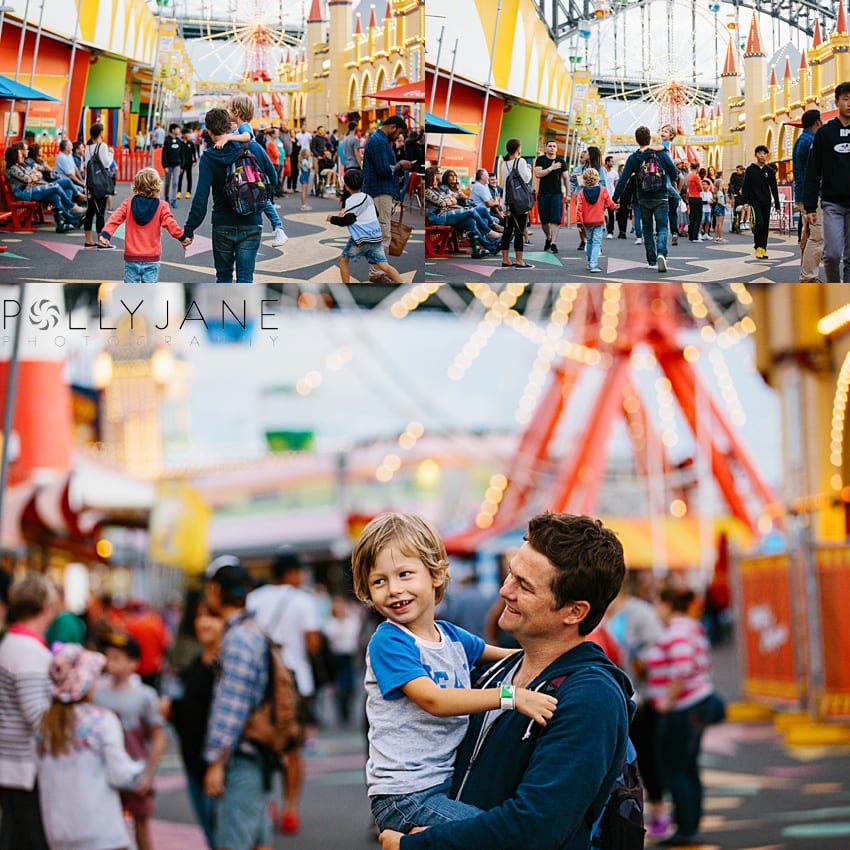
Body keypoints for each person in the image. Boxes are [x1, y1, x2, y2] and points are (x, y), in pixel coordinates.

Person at [378, 512, 632, 850]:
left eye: (524, 585)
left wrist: (418, 846)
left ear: (574, 612)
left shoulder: (590, 697)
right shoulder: (499, 670)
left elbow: (536, 826)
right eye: (511, 574)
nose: (504, 590)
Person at [350, 512, 557, 835]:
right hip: (406, 794)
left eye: (405, 574)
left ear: (436, 574)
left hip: (444, 782)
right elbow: (434, 700)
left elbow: (511, 658)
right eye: (380, 581)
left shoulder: (449, 635)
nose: (393, 589)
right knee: (494, 834)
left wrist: (561, 654)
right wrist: (511, 697)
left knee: (493, 827)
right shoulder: (389, 641)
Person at [36, 643, 145, 850]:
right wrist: (137, 769)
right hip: (99, 829)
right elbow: (119, 774)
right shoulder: (101, 720)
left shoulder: (45, 723)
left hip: (57, 829)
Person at [247, 550, 321, 836]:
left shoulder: (254, 598)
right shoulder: (303, 600)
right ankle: (290, 809)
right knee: (292, 748)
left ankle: (265, 804)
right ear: (290, 573)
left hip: (261, 683)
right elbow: (312, 643)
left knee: (261, 745)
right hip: (295, 683)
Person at [203, 556, 274, 850]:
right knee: (258, 841)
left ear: (216, 591)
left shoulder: (239, 638)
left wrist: (216, 761)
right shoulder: (253, 630)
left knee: (234, 841)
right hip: (257, 753)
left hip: (243, 758)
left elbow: (231, 705)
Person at [646, 588, 718, 847]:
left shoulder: (676, 630)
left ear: (667, 604)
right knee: (688, 768)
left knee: (676, 769)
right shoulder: (691, 625)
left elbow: (683, 666)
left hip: (683, 707)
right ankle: (690, 824)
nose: (655, 610)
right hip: (695, 703)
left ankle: (686, 828)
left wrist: (667, 700)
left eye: (657, 603)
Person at [182, 107, 278, 282]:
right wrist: (261, 202)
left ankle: (224, 308)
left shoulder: (209, 157)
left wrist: (189, 230)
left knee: (224, 277)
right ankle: (244, 309)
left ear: (209, 131)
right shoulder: (253, 147)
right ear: (229, 125)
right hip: (251, 222)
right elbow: (273, 178)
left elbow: (200, 199)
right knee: (246, 277)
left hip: (222, 224)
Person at [0, 573, 58, 850]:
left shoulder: (11, 642)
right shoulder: (29, 651)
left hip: (10, 763)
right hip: (23, 767)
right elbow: (37, 714)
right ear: (45, 606)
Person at [93, 633, 166, 850]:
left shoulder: (145, 695)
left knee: (141, 827)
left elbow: (157, 736)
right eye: (109, 656)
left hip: (136, 773)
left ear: (133, 663)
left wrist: (148, 775)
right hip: (103, 773)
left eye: (117, 657)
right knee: (107, 828)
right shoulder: (96, 692)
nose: (110, 662)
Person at [161, 599, 224, 849]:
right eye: (199, 616)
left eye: (212, 617)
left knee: (223, 836)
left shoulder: (227, 663)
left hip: (216, 764)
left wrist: (217, 764)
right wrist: (172, 709)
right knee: (211, 835)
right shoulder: (197, 662)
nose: (203, 623)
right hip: (192, 760)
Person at [214, 95, 288, 248]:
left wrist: (228, 138)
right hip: (248, 170)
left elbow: (247, 136)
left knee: (264, 201)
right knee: (263, 200)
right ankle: (278, 228)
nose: (227, 111)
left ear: (238, 111)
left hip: (249, 170)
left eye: (229, 108)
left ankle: (279, 228)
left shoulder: (244, 127)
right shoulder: (239, 128)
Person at [99, 167, 189, 282]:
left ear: (136, 185)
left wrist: (106, 234)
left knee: (132, 295)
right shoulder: (161, 206)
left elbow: (115, 218)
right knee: (149, 294)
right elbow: (170, 223)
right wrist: (182, 237)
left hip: (131, 257)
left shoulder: (129, 203)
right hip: (151, 258)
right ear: (157, 186)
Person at [613, 125, 678, 272]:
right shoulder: (661, 154)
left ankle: (652, 260)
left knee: (647, 229)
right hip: (661, 196)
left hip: (642, 197)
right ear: (650, 139)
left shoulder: (633, 158)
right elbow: (674, 172)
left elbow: (623, 180)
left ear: (636, 140)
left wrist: (615, 198)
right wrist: (669, 181)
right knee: (662, 227)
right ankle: (662, 253)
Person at [804, 82, 850, 282]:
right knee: (831, 254)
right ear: (837, 102)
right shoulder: (825, 133)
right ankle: (833, 286)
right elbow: (813, 170)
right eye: (846, 99)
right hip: (832, 204)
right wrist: (809, 206)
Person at [326, 167, 401, 283]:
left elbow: (347, 220)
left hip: (361, 240)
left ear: (346, 186)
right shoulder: (368, 198)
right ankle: (400, 283)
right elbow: (375, 213)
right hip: (375, 238)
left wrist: (332, 218)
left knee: (343, 260)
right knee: (384, 266)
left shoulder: (351, 201)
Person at [362, 115, 412, 281]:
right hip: (379, 191)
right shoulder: (379, 141)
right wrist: (400, 165)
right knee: (383, 233)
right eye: (399, 132)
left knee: (382, 232)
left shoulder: (379, 140)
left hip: (381, 191)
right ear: (392, 126)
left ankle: (377, 271)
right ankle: (377, 273)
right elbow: (383, 169)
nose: (399, 136)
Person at [4, 146, 82, 233]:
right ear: (14, 157)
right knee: (55, 186)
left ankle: (61, 224)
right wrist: (34, 175)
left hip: (30, 190)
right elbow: (28, 179)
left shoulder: (19, 166)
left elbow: (37, 174)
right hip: (25, 194)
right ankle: (71, 209)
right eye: (19, 154)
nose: (21, 155)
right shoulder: (13, 169)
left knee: (55, 197)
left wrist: (35, 175)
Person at [323, 594, 362, 726]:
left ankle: (348, 707)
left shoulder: (352, 620)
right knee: (339, 685)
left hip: (350, 656)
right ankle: (341, 709)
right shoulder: (330, 622)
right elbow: (332, 636)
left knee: (351, 684)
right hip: (336, 657)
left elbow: (354, 635)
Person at [793, 108, 822, 281]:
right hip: (812, 195)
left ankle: (805, 272)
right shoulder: (811, 141)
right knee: (818, 235)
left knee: (808, 233)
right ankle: (808, 276)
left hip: (802, 194)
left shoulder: (800, 140)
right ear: (817, 122)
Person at [740, 144, 780, 260]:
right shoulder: (751, 169)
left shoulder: (770, 171)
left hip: (766, 202)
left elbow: (774, 188)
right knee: (759, 223)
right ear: (755, 155)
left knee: (765, 226)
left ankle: (763, 248)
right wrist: (745, 202)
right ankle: (758, 247)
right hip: (754, 202)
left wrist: (777, 204)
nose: (762, 155)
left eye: (764, 153)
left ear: (767, 155)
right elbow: (746, 186)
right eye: (759, 153)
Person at [499, 137, 534, 269]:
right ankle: (519, 261)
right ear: (518, 149)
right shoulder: (521, 161)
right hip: (520, 202)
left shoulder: (504, 164)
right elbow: (526, 178)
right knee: (519, 230)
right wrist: (529, 169)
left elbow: (504, 183)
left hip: (507, 202)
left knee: (507, 231)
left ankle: (506, 259)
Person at [575, 166, 618, 273]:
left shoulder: (581, 193)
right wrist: (615, 206)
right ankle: (593, 264)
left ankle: (590, 262)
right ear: (597, 179)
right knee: (596, 242)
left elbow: (579, 209)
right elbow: (609, 203)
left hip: (587, 222)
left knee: (589, 241)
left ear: (584, 180)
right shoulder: (603, 190)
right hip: (598, 221)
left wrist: (579, 223)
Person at [82, 123, 115, 249]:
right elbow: (106, 164)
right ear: (100, 132)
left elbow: (86, 166)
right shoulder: (102, 146)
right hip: (100, 184)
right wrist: (111, 153)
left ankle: (88, 240)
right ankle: (101, 241)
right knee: (100, 212)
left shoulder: (88, 147)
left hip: (90, 184)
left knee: (90, 212)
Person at [533, 139, 568, 253]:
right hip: (543, 193)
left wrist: (568, 194)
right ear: (546, 148)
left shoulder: (561, 161)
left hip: (556, 194)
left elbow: (566, 178)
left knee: (555, 220)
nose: (552, 148)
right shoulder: (540, 160)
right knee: (544, 220)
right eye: (550, 146)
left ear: (556, 149)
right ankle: (548, 238)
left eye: (554, 146)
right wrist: (551, 168)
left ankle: (553, 243)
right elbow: (538, 174)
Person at [161, 122, 184, 207]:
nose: (179, 130)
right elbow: (164, 154)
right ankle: (166, 197)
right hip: (169, 165)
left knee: (175, 182)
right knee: (167, 183)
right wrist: (165, 165)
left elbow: (181, 154)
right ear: (173, 130)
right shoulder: (167, 141)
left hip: (177, 164)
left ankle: (173, 199)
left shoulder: (179, 141)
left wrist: (182, 166)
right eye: (177, 129)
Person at [177, 127, 198, 200]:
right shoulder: (180, 143)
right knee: (180, 177)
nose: (189, 135)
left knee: (189, 177)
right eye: (188, 133)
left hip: (189, 162)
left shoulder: (191, 143)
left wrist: (195, 160)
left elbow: (194, 152)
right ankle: (178, 191)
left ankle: (188, 192)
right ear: (184, 134)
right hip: (181, 163)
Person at [728, 163, 746, 233]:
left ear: (741, 170)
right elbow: (731, 184)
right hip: (736, 194)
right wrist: (733, 193)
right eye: (736, 170)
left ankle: (743, 222)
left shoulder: (745, 175)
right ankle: (735, 226)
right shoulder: (734, 175)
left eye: (738, 170)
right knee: (735, 211)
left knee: (744, 209)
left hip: (744, 194)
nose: (737, 171)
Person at [712, 177, 727, 242]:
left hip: (716, 208)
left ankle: (717, 237)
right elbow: (719, 201)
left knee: (717, 223)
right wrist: (725, 206)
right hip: (720, 208)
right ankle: (720, 237)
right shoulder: (720, 192)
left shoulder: (717, 192)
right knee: (720, 223)